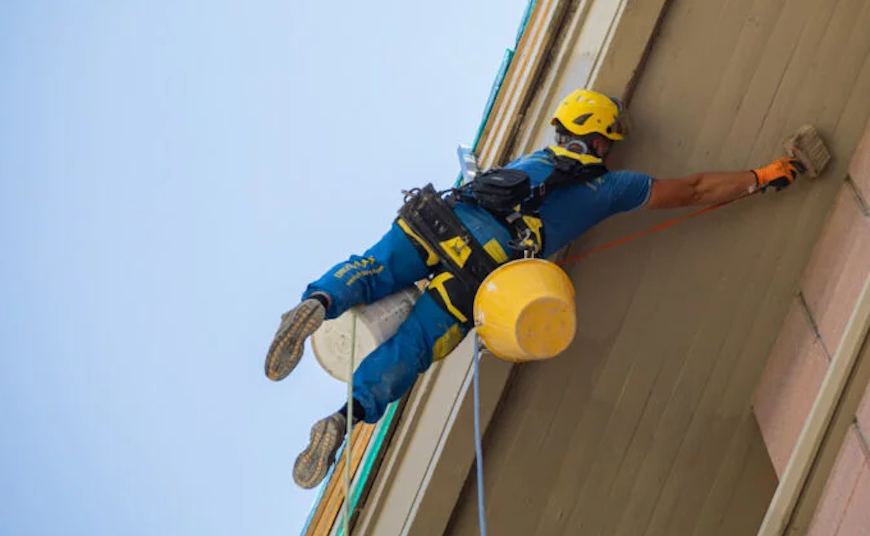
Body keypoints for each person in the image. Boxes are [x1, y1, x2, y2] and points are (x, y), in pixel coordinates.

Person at [266, 89, 829, 488]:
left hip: (439, 220)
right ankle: (344, 419)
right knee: (411, 352)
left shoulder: (528, 159)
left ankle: (316, 303)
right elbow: (695, 189)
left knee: (372, 268)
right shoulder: (612, 186)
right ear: (603, 139)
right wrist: (761, 176)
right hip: (484, 272)